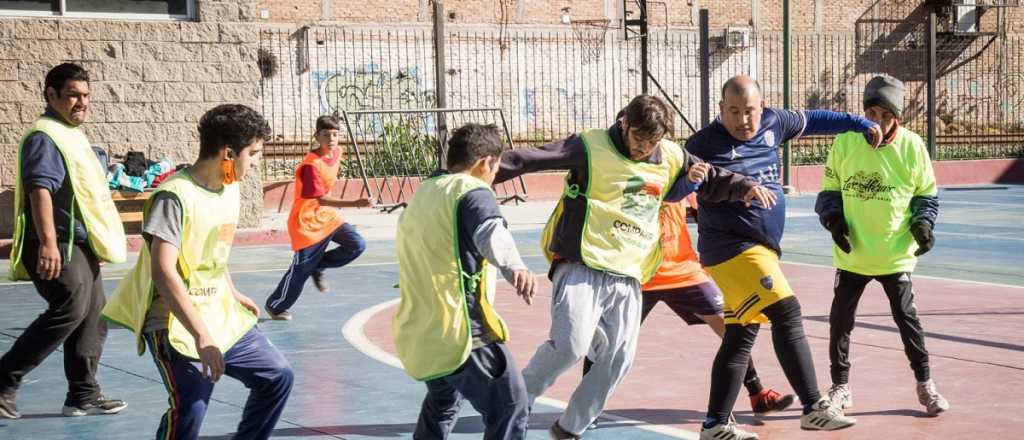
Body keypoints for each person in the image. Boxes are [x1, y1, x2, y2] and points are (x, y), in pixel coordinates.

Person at [494, 95, 776, 439]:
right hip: (582, 262)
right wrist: (470, 176)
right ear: (624, 122)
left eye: (651, 142)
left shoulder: (671, 155)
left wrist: (744, 187)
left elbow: (711, 176)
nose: (643, 148)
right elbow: (529, 158)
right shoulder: (590, 146)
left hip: (629, 272)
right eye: (638, 138)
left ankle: (569, 428)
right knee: (571, 345)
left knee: (618, 358)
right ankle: (512, 406)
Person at [686, 75, 885, 440]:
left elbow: (817, 119)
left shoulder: (774, 122)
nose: (743, 120)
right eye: (733, 112)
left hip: (761, 250)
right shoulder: (703, 144)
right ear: (720, 110)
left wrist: (859, 124)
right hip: (731, 250)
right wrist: (735, 188)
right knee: (787, 311)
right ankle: (813, 407)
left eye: (749, 111)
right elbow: (692, 186)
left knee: (740, 334)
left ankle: (715, 425)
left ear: (761, 108)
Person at [102, 104, 294, 440]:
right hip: (173, 322)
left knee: (277, 375)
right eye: (254, 153)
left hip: (217, 311)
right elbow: (164, 272)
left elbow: (213, 250)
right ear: (228, 152)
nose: (256, 162)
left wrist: (231, 292)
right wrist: (202, 335)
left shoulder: (229, 185)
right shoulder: (173, 198)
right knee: (192, 405)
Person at [581, 197, 795, 423]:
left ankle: (757, 393)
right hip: (636, 274)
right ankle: (585, 407)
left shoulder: (679, 169)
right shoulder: (628, 174)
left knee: (731, 328)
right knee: (606, 339)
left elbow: (705, 213)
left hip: (683, 272)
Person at [815, 75, 949, 417]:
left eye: (884, 115)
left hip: (894, 254)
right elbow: (829, 191)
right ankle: (840, 388)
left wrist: (922, 223)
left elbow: (925, 195)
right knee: (840, 322)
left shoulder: (913, 147)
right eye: (871, 113)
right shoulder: (845, 142)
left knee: (907, 320)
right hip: (853, 254)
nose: (875, 121)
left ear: (897, 117)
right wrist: (833, 220)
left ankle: (925, 384)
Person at [1, 63, 128, 419]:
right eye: (72, 95)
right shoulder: (45, 136)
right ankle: (3, 380)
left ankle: (83, 395)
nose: (81, 102)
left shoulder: (72, 134)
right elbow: (41, 190)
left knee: (93, 316)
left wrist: (96, 243)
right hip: (57, 243)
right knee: (70, 308)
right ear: (51, 95)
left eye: (85, 95)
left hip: (80, 244)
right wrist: (49, 244)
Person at [393, 123, 536, 439]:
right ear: (486, 163)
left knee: (443, 401)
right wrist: (515, 267)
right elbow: (490, 230)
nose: (494, 176)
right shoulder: (471, 191)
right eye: (495, 167)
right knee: (510, 405)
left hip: (423, 328)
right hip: (461, 328)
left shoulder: (424, 193)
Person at [265, 115, 367, 321]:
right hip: (307, 221)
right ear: (316, 137)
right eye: (326, 134)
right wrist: (356, 203)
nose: (331, 138)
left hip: (328, 217)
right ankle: (275, 305)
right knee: (301, 269)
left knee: (357, 245)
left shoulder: (338, 151)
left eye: (335, 134)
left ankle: (318, 266)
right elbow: (321, 199)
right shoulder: (310, 166)